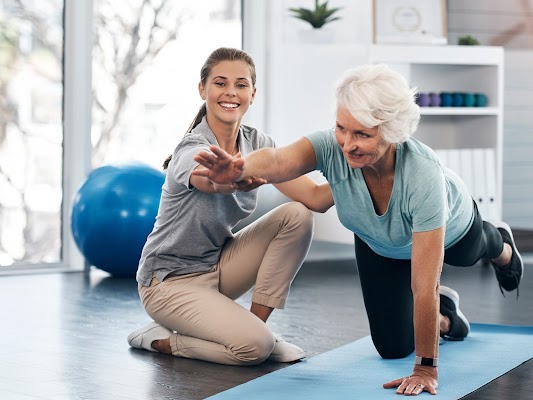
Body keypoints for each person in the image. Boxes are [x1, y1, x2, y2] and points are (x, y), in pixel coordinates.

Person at [193, 63, 524, 395]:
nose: (347, 144)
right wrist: (239, 169)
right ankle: (446, 316)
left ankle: (501, 244)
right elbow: (280, 161)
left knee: (472, 251)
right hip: (379, 243)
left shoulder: (423, 176)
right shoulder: (332, 148)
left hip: (454, 229)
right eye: (341, 128)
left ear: (393, 131)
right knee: (393, 347)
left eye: (363, 134)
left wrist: (425, 368)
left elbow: (424, 286)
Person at [127, 47, 334, 366]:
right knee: (252, 350)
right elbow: (210, 181)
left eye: (240, 84)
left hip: (217, 267)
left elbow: (316, 199)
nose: (230, 93)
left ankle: (256, 327)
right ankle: (161, 340)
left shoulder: (259, 144)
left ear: (252, 93)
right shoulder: (192, 148)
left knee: (297, 215)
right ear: (202, 90)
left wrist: (361, 167)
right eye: (220, 83)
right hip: (167, 283)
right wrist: (226, 179)